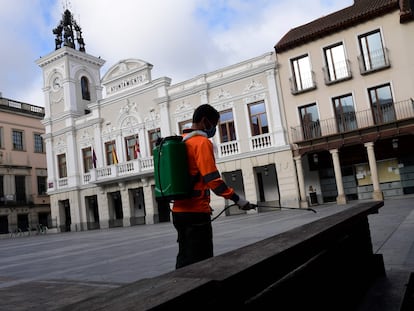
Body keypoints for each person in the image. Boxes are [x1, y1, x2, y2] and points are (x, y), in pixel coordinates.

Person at [172, 104, 254, 269]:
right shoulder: (201, 143)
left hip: (178, 212)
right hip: (196, 213)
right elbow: (213, 181)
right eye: (214, 125)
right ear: (204, 121)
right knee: (202, 262)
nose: (214, 129)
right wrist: (239, 200)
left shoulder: (181, 141)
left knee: (185, 258)